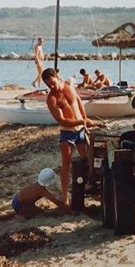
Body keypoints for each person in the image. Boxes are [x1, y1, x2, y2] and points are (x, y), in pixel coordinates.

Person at [42, 67, 97, 203]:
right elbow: (62, 120)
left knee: (87, 159)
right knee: (66, 164)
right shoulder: (51, 99)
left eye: (53, 83)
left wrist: (84, 119)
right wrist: (83, 121)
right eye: (49, 85)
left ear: (57, 76)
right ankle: (65, 196)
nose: (52, 86)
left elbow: (78, 102)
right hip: (67, 132)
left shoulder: (69, 87)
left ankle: (90, 187)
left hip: (81, 130)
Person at [6, 168, 72, 219]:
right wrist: (69, 210)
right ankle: (19, 215)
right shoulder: (42, 191)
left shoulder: (37, 185)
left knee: (39, 210)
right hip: (20, 205)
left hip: (17, 200)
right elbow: (56, 202)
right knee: (39, 212)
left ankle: (20, 212)